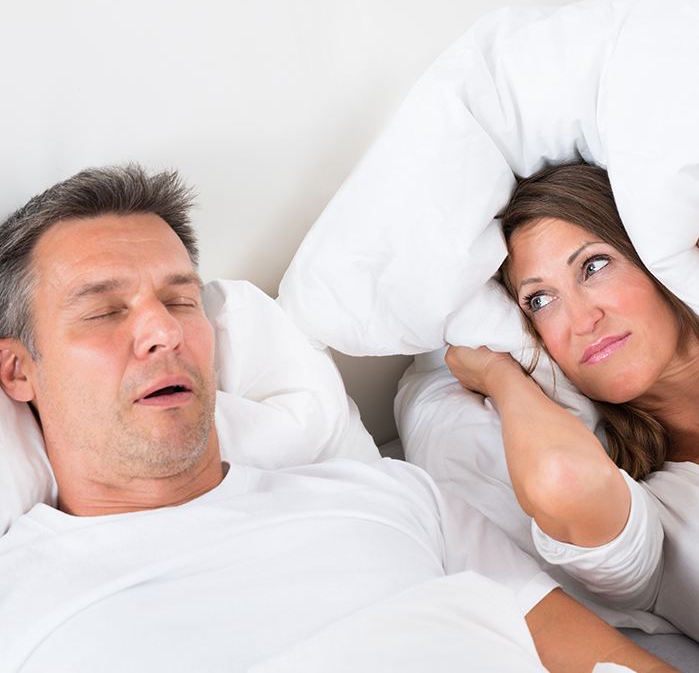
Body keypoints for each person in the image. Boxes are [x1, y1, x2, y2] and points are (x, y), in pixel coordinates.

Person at [0, 165, 674, 672]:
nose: (161, 332)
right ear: (18, 371)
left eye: (180, 302)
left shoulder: (392, 497)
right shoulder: (17, 600)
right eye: (104, 310)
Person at [446, 163, 699, 640]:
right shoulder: (653, 519)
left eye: (595, 266)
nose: (583, 320)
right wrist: (502, 376)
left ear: (655, 259)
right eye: (540, 300)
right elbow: (561, 477)